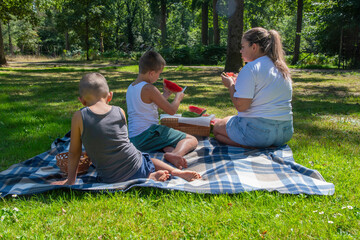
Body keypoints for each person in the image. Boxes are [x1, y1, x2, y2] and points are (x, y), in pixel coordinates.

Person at [51, 73, 201, 185]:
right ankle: (175, 172)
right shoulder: (119, 111)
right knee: (148, 158)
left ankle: (150, 177)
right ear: (110, 96)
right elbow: (120, 141)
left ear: (82, 101)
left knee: (138, 159)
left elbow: (74, 151)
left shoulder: (79, 116)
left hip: (110, 177)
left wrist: (70, 180)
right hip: (136, 167)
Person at [213, 27, 293, 148]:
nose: (241, 51)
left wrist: (230, 85)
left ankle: (253, 145)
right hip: (285, 132)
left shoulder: (250, 68)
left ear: (254, 47)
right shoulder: (282, 68)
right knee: (228, 120)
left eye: (243, 47)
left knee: (217, 130)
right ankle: (258, 144)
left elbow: (242, 106)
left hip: (258, 133)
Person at [126, 50, 198, 169]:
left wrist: (165, 95)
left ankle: (170, 152)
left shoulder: (132, 87)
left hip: (134, 139)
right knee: (192, 139)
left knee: (168, 144)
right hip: (149, 134)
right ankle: (175, 154)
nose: (159, 76)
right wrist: (178, 97)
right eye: (159, 73)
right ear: (151, 73)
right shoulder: (149, 88)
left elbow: (148, 106)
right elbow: (171, 110)